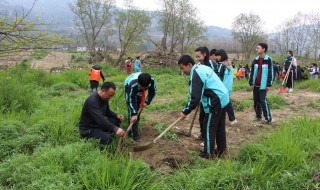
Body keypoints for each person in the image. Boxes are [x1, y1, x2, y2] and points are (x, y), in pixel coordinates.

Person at [178, 54, 229, 160]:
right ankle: (221, 151)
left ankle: (209, 153)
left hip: (215, 101)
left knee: (209, 126)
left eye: (183, 69)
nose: (183, 72)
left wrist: (185, 111)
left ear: (189, 65)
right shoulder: (201, 67)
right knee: (219, 126)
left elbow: (195, 98)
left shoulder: (195, 73)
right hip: (223, 97)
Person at [79, 82, 125, 146]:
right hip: (89, 128)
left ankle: (103, 134)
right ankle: (101, 139)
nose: (110, 98)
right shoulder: (93, 101)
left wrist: (116, 115)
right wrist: (115, 129)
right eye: (109, 95)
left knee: (117, 120)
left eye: (112, 96)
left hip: (97, 124)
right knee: (108, 139)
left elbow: (107, 111)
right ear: (103, 91)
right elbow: (100, 119)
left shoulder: (104, 98)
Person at [124, 72, 157, 142]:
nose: (142, 88)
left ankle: (135, 126)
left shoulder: (151, 81)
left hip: (141, 88)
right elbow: (130, 100)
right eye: (140, 86)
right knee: (132, 111)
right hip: (128, 85)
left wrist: (147, 101)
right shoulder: (133, 84)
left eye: (143, 87)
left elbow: (153, 92)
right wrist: (133, 114)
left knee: (139, 107)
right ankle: (133, 135)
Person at [195, 47, 216, 143]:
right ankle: (203, 134)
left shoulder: (210, 64)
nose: (197, 59)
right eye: (196, 57)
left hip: (211, 97)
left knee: (207, 119)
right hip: (203, 96)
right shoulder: (199, 65)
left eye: (199, 56)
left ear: (204, 54)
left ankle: (207, 138)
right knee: (201, 117)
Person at [249, 43, 274, 124]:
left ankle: (268, 118)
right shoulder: (255, 60)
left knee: (263, 101)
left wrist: (268, 84)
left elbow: (271, 73)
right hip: (255, 85)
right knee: (256, 101)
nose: (257, 49)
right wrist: (251, 83)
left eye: (258, 48)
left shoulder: (268, 60)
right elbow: (252, 72)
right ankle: (258, 116)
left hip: (263, 85)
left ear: (263, 49)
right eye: (257, 48)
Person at [215, 49, 237, 125]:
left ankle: (231, 119)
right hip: (228, 87)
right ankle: (232, 119)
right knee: (226, 103)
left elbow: (219, 77)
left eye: (218, 55)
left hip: (222, 87)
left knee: (224, 103)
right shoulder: (229, 64)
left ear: (222, 56)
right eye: (216, 56)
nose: (217, 57)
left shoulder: (221, 65)